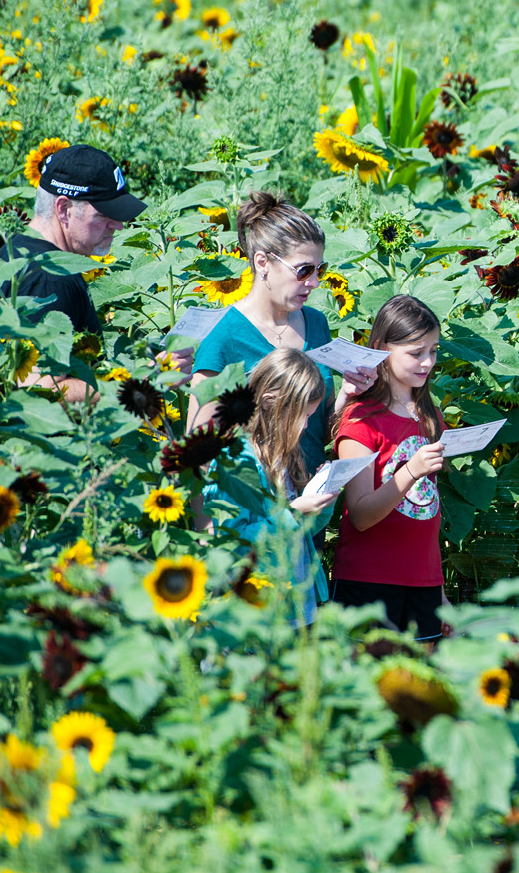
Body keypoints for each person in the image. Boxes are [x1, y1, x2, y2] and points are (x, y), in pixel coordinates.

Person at [185, 192, 374, 480]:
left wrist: (348, 394)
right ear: (262, 262)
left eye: (319, 270)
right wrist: (208, 525)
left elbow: (317, 430)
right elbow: (198, 448)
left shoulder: (316, 324)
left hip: (308, 507)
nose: (313, 282)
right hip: (250, 513)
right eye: (303, 270)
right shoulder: (223, 335)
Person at [0, 144, 149, 402]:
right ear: (63, 209)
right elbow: (39, 389)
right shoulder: (50, 278)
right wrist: (133, 389)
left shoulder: (13, 253)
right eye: (104, 214)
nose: (118, 225)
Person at [332, 295, 448, 639]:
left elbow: (425, 512)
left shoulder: (430, 417)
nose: (427, 362)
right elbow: (362, 516)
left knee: (420, 688)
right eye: (415, 352)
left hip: (425, 581)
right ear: (382, 348)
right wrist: (410, 471)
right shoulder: (361, 419)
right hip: (368, 580)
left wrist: (441, 596)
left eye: (434, 350)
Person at [202, 349, 339, 623]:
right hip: (254, 610)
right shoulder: (236, 462)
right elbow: (233, 538)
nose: (306, 426)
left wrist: (324, 499)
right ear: (268, 403)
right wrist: (293, 511)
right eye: (302, 415)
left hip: (295, 602)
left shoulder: (283, 456)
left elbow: (301, 530)